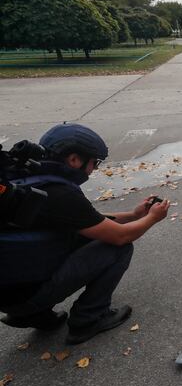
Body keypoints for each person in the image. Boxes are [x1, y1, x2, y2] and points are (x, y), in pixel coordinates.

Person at [0, 124, 170, 344]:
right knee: (118, 249)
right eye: (94, 162)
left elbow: (88, 221)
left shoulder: (26, 177)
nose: (93, 170)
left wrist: (134, 214)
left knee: (84, 237)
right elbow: (120, 236)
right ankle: (88, 319)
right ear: (74, 160)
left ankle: (33, 314)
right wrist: (153, 218)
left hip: (9, 290)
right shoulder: (60, 194)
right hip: (25, 296)